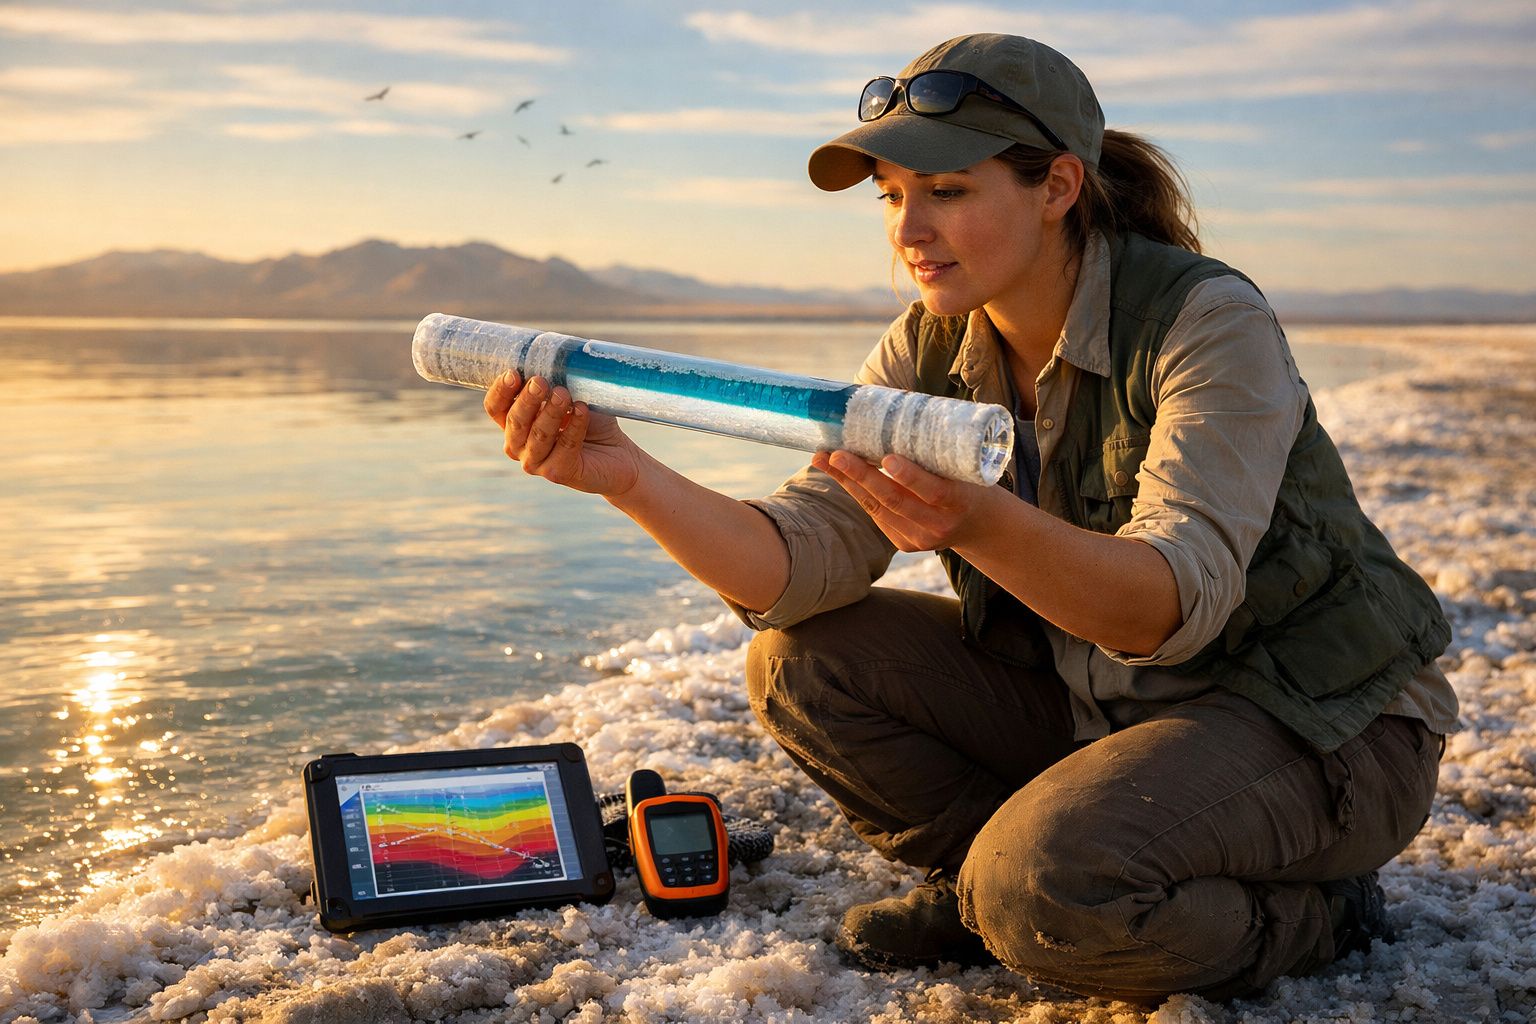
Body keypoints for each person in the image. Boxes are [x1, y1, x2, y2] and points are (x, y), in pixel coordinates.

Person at [482, 32, 1458, 1004]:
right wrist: (629, 478)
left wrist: (977, 523)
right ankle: (984, 884)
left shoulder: (1205, 322)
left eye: (947, 191)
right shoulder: (926, 347)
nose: (909, 230)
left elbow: (1167, 607)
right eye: (891, 196)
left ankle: (1315, 915)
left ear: (1058, 187)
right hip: (1108, 710)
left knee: (1049, 891)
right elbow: (800, 559)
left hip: (1316, 721)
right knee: (801, 659)